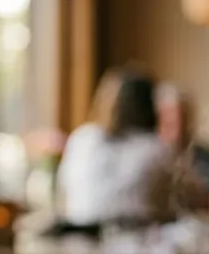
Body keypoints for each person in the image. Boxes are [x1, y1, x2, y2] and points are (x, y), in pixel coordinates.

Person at [56, 68, 171, 227]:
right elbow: (173, 205)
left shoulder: (82, 138)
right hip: (137, 237)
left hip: (78, 236)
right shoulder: (156, 149)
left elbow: (64, 195)